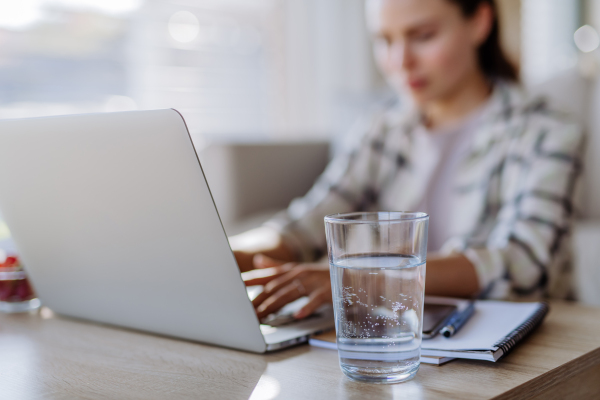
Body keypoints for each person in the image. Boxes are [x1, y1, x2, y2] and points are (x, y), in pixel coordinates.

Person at [230, 0, 584, 321]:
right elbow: (306, 225)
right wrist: (223, 255)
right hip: (393, 329)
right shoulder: (383, 127)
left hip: (514, 340)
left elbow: (524, 262)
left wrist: (369, 280)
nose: (400, 61)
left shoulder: (547, 130)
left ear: (479, 22)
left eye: (423, 36)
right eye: (384, 40)